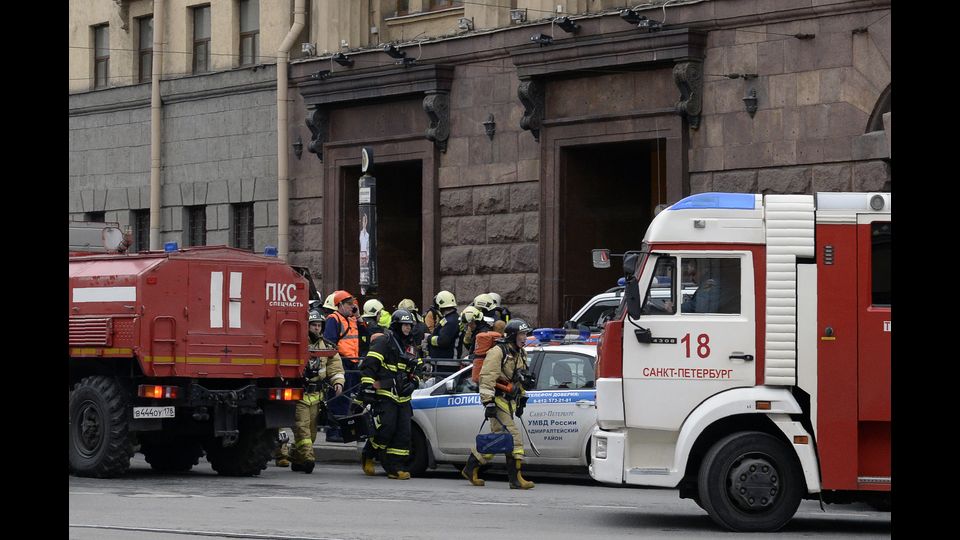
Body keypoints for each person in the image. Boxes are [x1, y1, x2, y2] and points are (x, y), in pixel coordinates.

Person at [461, 319, 536, 489]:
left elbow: (518, 378)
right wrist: (488, 403)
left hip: (509, 401)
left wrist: (522, 396)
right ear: (512, 335)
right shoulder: (497, 352)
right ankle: (515, 479)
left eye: (525, 334)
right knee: (513, 436)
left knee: (498, 439)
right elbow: (486, 378)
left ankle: (470, 467)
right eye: (522, 334)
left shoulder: (521, 353)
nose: (525, 338)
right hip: (497, 400)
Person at [358, 309, 423, 480]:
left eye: (410, 325)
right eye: (405, 325)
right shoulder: (385, 341)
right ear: (397, 325)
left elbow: (419, 367)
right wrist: (367, 387)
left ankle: (395, 468)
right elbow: (370, 364)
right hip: (386, 392)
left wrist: (414, 382)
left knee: (404, 432)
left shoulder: (411, 346)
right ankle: (369, 454)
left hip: (403, 396)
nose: (408, 328)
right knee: (386, 427)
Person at [289, 310, 345, 473]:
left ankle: (295, 455)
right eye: (313, 325)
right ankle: (308, 458)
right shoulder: (298, 344)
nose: (316, 328)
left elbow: (335, 368)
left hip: (316, 396)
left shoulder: (327, 346)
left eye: (319, 325)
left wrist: (338, 383)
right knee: (302, 428)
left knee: (312, 435)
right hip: (300, 395)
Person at [323, 290, 361, 442]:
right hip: (341, 361)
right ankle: (333, 432)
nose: (352, 307)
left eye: (353, 303)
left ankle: (343, 431)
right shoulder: (334, 319)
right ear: (340, 305)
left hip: (352, 362)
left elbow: (364, 336)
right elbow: (329, 342)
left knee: (347, 398)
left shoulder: (352, 320)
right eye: (349, 304)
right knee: (337, 397)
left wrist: (358, 317)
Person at [423, 290, 458, 371]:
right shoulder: (449, 319)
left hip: (446, 364)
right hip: (442, 363)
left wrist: (429, 338)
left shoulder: (451, 321)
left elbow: (443, 341)